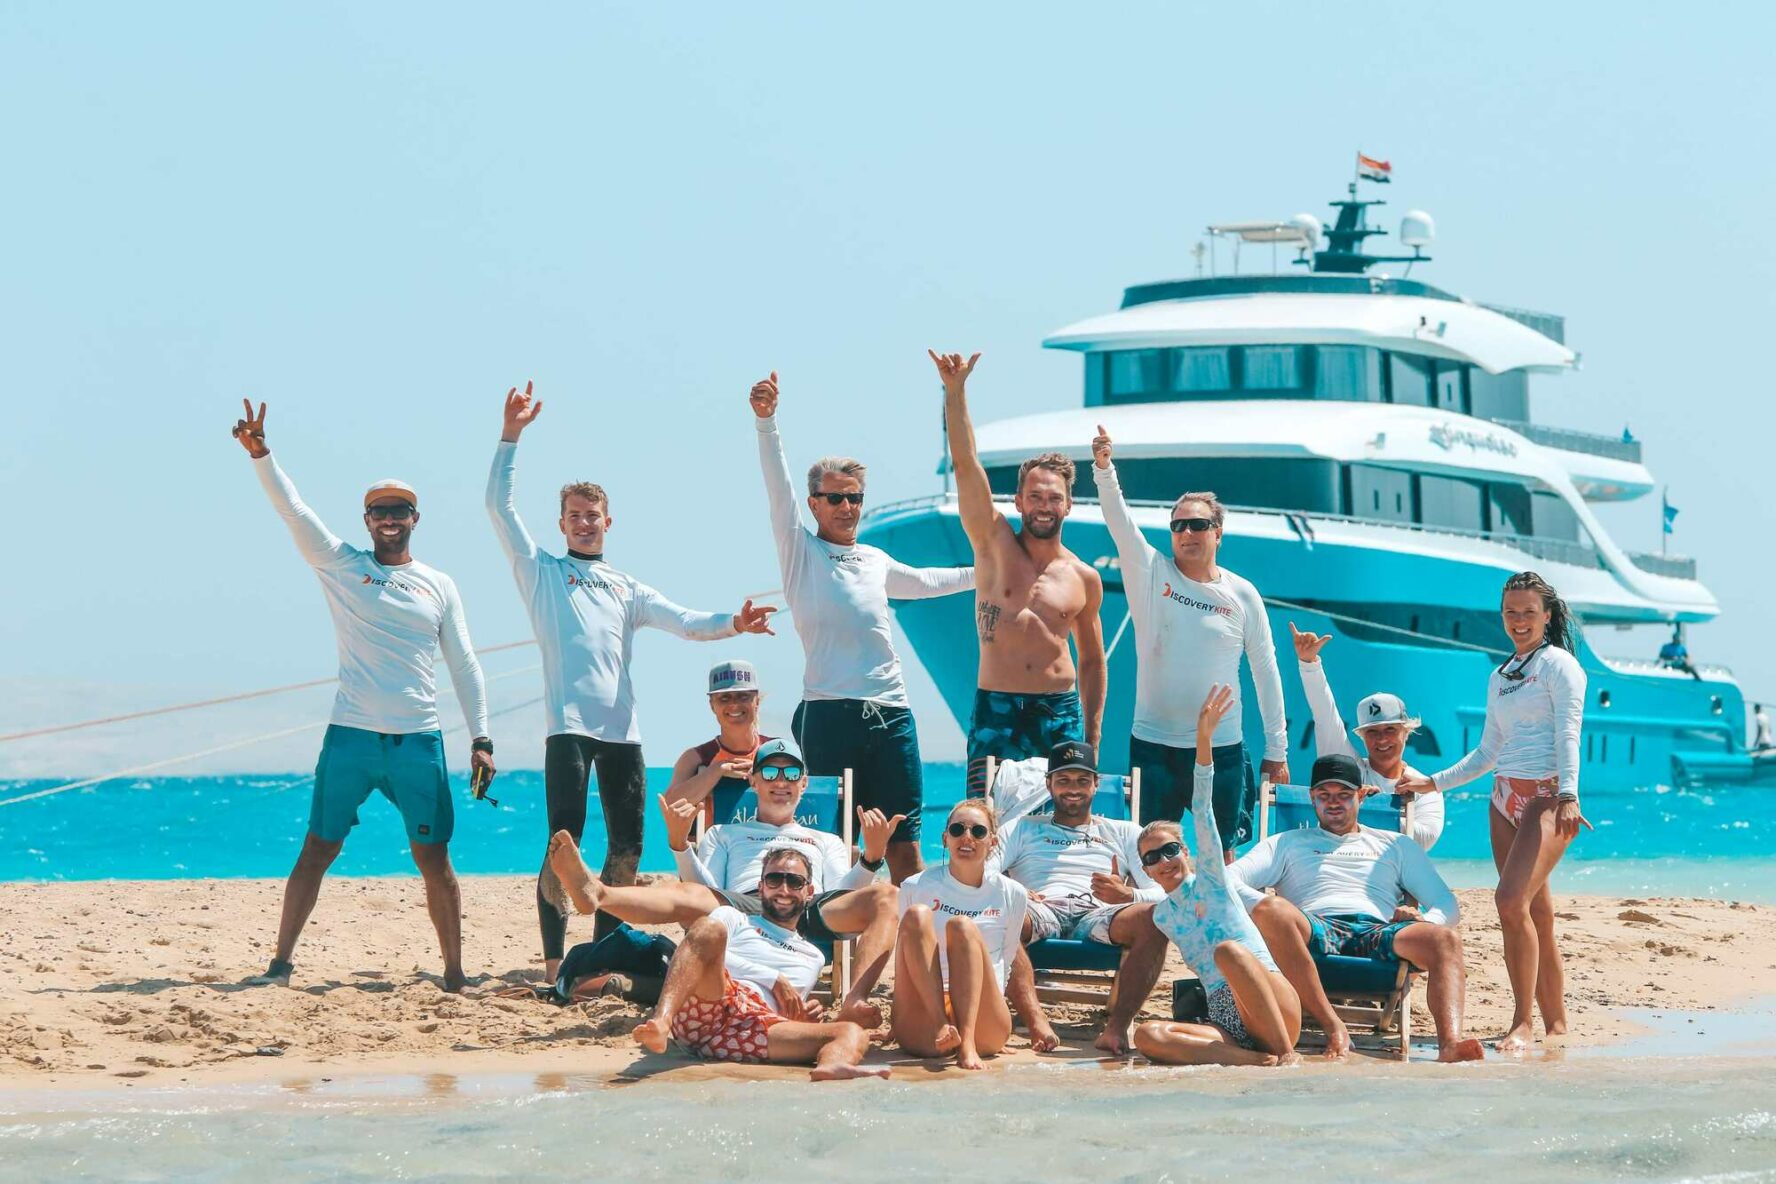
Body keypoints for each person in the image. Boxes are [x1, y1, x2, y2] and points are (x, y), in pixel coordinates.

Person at [489, 383, 777, 979]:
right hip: (568, 732)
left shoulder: (626, 587)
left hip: (623, 735)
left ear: (608, 521)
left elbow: (686, 622)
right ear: (562, 523)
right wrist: (510, 436)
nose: (585, 524)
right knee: (561, 846)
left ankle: (601, 957)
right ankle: (552, 962)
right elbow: (498, 506)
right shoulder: (541, 572)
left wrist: (735, 623)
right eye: (574, 517)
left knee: (625, 851)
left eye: (593, 516)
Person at [230, 400, 492, 992]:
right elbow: (293, 511)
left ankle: (454, 973)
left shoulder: (439, 585)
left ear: (416, 517)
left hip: (418, 741)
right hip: (350, 737)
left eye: (399, 510)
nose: (389, 519)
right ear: (366, 518)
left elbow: (465, 663)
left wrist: (481, 738)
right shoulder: (342, 565)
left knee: (435, 861)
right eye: (379, 511)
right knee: (317, 849)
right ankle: (280, 964)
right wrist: (262, 455)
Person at [750, 371, 975, 883]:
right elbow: (777, 490)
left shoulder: (874, 559)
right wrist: (767, 423)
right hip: (829, 714)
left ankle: (912, 947)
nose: (847, 507)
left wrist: (990, 574)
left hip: (892, 714)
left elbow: (926, 581)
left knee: (904, 841)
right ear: (814, 505)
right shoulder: (800, 552)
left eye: (854, 497)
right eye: (835, 498)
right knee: (837, 843)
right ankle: (840, 948)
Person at [543, 739, 899, 1027]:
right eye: (770, 772)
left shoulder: (825, 840)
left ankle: (855, 1000)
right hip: (741, 904)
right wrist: (680, 845)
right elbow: (703, 892)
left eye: (791, 773)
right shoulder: (724, 834)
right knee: (687, 892)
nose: (781, 781)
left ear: (803, 784)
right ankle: (598, 893)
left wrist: (871, 858)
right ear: (753, 781)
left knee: (886, 896)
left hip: (808, 904)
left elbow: (843, 898)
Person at [1398, 571, 1589, 1053]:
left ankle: (1522, 1022)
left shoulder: (1560, 666)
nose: (1519, 621)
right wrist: (1432, 782)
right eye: (1510, 612)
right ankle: (1557, 1024)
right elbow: (1487, 753)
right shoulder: (1500, 675)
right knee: (1536, 913)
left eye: (1528, 612)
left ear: (1548, 616)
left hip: (1548, 800)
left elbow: (1569, 734)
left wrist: (1569, 794)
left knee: (1509, 903)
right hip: (1504, 800)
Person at [1090, 423, 1288, 846]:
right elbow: (1119, 523)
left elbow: (1265, 672)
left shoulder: (1242, 594)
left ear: (1218, 532)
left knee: (1225, 853)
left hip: (1224, 746)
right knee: (1151, 852)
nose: (1185, 534)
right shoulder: (1150, 572)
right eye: (1177, 526)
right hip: (1153, 744)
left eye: (1197, 525)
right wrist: (1105, 471)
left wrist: (1278, 749)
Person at [929, 351, 1106, 797]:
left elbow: (1091, 661)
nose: (1044, 505)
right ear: (1019, 502)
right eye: (1035, 496)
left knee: (1059, 821)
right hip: (997, 706)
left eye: (1054, 498)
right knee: (984, 818)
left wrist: (1093, 734)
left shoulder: (1083, 577)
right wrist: (955, 391)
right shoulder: (992, 546)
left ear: (1068, 504)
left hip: (1059, 711)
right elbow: (967, 465)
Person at [1237, 752, 1480, 1062]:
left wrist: (1424, 919)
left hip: (1376, 930)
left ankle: (1449, 1045)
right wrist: (1271, 909)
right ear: (1312, 799)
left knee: (1446, 939)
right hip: (1314, 928)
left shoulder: (1395, 845)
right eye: (1324, 795)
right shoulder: (1286, 842)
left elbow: (1447, 904)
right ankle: (1332, 1025)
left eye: (1344, 794)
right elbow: (1228, 881)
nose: (1333, 802)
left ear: (1362, 796)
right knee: (1272, 911)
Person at [1133, 686, 1302, 1067]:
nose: (1165, 860)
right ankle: (1248, 1059)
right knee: (1148, 1035)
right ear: (1146, 870)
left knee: (1227, 951)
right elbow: (1137, 904)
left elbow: (1202, 807)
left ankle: (1286, 1056)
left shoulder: (1213, 879)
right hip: (1225, 1018)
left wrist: (1203, 742)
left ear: (1186, 852)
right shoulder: (1162, 915)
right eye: (1153, 857)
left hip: (1271, 998)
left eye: (1171, 849)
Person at [627, 847, 889, 1081]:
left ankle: (832, 1068)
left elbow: (785, 1010)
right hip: (709, 1004)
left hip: (756, 1030)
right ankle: (661, 1023)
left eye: (794, 882)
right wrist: (772, 977)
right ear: (761, 886)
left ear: (809, 892)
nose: (783, 890)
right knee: (707, 929)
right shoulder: (733, 918)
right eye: (774, 879)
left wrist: (803, 1019)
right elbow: (697, 953)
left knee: (853, 1033)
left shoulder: (813, 956)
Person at [997, 740, 1172, 1055]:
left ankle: (1116, 1029)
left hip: (1098, 913)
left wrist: (1128, 894)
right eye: (1063, 781)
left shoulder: (1124, 831)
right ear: (1048, 784)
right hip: (1039, 908)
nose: (1072, 789)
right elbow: (983, 873)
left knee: (1155, 919)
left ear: (1096, 784)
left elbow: (1162, 891)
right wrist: (1017, 891)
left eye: (1082, 781)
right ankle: (1037, 1022)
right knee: (1003, 912)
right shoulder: (1022, 828)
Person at [894, 797, 1031, 1070]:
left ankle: (967, 1042)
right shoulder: (915, 886)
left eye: (978, 831)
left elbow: (1006, 958)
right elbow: (905, 957)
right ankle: (940, 1025)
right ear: (945, 839)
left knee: (961, 926)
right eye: (958, 830)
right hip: (927, 1014)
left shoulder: (1012, 893)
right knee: (917, 915)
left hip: (983, 1015)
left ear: (992, 842)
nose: (966, 837)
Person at [1289, 623, 1443, 850]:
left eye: (1390, 730)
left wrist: (1369, 808)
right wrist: (1309, 664)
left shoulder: (1422, 784)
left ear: (1406, 732)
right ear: (1362, 737)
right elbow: (1325, 714)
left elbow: (1425, 839)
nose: (1382, 739)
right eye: (1372, 732)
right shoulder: (1348, 768)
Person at [663, 660, 773, 817]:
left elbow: (803, 796)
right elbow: (670, 805)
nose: (734, 705)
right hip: (712, 841)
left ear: (757, 701)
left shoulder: (775, 749)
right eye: (724, 698)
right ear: (712, 705)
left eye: (743, 697)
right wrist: (716, 770)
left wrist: (762, 772)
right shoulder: (696, 757)